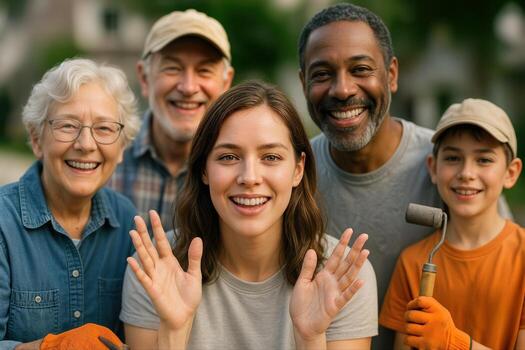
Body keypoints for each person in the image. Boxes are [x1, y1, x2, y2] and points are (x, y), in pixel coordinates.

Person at [297, 4, 512, 348]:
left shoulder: (450, 166)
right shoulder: (290, 175)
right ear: (303, 82)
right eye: (322, 74)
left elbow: (500, 270)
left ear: (392, 75)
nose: (342, 89)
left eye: (361, 69)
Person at [120, 81, 378, 349]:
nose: (250, 177)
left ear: (298, 169)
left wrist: (310, 338)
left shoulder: (340, 276)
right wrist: (173, 330)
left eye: (271, 157)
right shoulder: (157, 270)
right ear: (204, 170)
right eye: (229, 157)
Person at [0, 58, 140, 349]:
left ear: (122, 147)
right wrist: (50, 347)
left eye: (103, 128)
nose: (86, 144)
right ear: (37, 139)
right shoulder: (3, 222)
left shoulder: (128, 222)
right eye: (67, 125)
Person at [379, 98, 525, 349]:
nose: (466, 173)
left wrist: (451, 341)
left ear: (511, 173)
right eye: (453, 158)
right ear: (433, 168)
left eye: (484, 160)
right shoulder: (413, 262)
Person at [107, 9, 234, 230]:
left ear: (226, 84)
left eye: (204, 71)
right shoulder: (103, 159)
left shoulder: (240, 172)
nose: (188, 87)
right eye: (173, 68)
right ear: (144, 78)